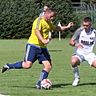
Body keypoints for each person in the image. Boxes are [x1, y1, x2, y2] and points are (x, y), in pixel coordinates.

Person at [1, 8, 74, 89]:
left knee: (48, 66)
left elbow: (56, 28)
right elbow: (37, 31)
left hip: (42, 48)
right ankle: (8, 66)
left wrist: (67, 26)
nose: (53, 18)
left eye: (54, 17)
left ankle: (40, 83)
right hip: (33, 46)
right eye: (51, 16)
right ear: (46, 13)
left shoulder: (48, 22)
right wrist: (43, 40)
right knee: (27, 65)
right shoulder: (39, 20)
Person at [69, 17, 96, 87]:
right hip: (79, 53)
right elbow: (71, 41)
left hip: (89, 54)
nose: (85, 27)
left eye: (87, 25)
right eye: (84, 25)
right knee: (73, 61)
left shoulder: (94, 32)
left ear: (90, 25)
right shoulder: (79, 31)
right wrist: (76, 44)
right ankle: (76, 78)